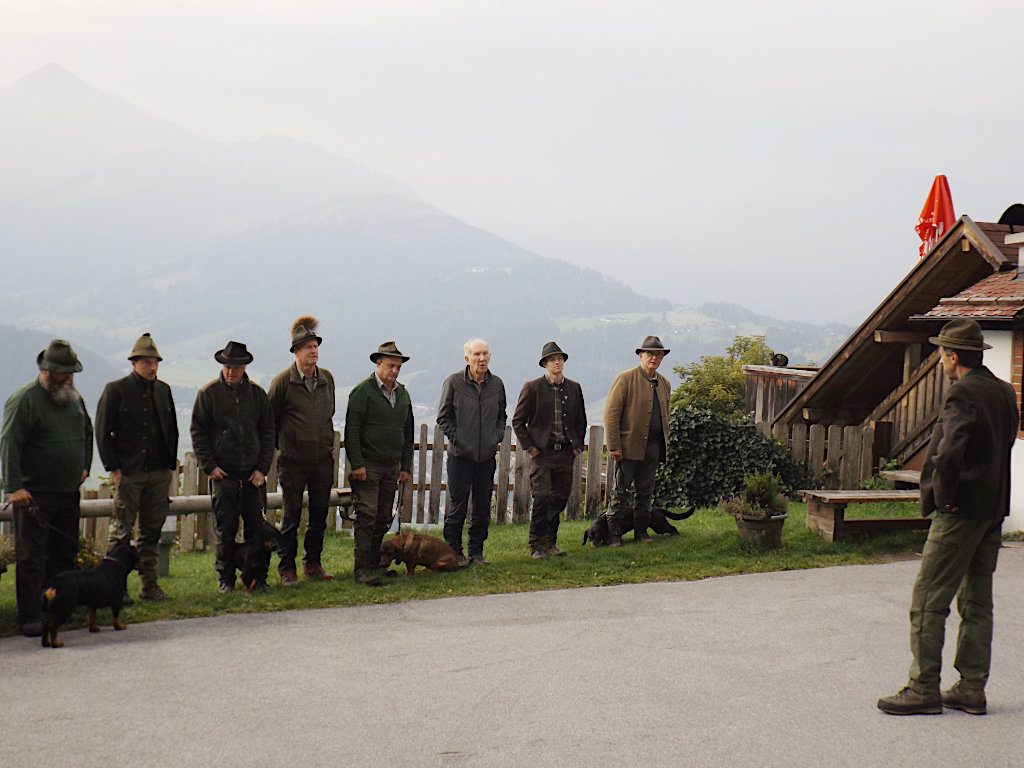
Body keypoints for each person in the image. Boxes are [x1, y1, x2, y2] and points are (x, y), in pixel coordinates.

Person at [878, 319, 1018, 716]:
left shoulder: (963, 393)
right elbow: (1003, 444)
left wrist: (944, 498)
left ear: (953, 357)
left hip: (960, 512)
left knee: (928, 600)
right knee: (977, 600)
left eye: (941, 352)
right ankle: (971, 688)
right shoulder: (1004, 391)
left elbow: (949, 452)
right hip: (992, 510)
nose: (939, 358)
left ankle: (923, 688)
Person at [1, 340, 93, 637]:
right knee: (32, 556)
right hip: (33, 494)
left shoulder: (74, 399)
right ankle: (31, 615)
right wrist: (14, 486)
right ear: (46, 371)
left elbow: (86, 432)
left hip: (67, 490)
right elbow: (9, 444)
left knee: (64, 552)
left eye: (70, 373)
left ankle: (60, 609)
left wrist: (85, 465)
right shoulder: (25, 399)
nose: (68, 378)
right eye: (62, 373)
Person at [95, 333, 178, 602]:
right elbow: (102, 431)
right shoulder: (115, 390)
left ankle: (148, 586)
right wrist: (114, 468)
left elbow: (172, 429)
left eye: (155, 362)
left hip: (157, 473)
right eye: (147, 362)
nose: (152, 367)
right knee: (121, 533)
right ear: (134, 363)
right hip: (128, 473)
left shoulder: (163, 390)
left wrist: (169, 466)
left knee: (151, 532)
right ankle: (114, 589)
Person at [190, 341, 276, 594]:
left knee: (256, 531)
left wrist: (262, 469)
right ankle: (225, 578)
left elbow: (268, 433)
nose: (231, 372)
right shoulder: (209, 394)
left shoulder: (257, 395)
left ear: (245, 367)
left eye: (236, 367)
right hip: (223, 474)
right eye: (227, 367)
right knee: (225, 530)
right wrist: (210, 467)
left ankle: (257, 578)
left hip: (253, 476)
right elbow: (198, 432)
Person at [268, 316, 337, 585]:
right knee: (291, 515)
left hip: (321, 459)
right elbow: (269, 421)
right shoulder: (282, 382)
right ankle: (287, 568)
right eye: (308, 347)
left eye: (316, 346)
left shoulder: (327, 379)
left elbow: (329, 413)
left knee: (319, 514)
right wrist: (284, 446)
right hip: (293, 462)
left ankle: (313, 564)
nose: (314, 351)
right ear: (296, 352)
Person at [344, 342, 414, 586]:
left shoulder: (403, 394)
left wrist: (405, 466)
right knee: (366, 515)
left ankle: (375, 563)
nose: (394, 370)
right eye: (390, 365)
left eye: (398, 366)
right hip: (369, 464)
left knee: (384, 516)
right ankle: (361, 568)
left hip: (391, 465)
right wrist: (357, 463)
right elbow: (352, 430)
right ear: (378, 364)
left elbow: (408, 432)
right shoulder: (363, 392)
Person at [512, 342, 587, 558]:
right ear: (544, 364)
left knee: (560, 499)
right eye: (552, 359)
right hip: (542, 454)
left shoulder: (574, 387)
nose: (557, 362)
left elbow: (581, 420)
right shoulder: (532, 387)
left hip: (565, 452)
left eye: (560, 358)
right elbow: (518, 421)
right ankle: (536, 545)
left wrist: (576, 446)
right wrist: (531, 448)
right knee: (542, 498)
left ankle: (550, 542)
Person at [437, 338, 507, 566]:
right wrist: (459, 440)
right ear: (467, 358)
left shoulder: (496, 385)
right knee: (457, 506)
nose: (482, 358)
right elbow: (443, 418)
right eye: (476, 354)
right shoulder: (454, 383)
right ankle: (453, 553)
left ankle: (476, 552)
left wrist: (495, 438)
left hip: (486, 457)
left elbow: (502, 416)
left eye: (485, 353)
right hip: (460, 457)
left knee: (482, 506)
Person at [603, 335, 671, 546]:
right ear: (641, 355)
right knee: (619, 492)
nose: (654, 358)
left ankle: (641, 532)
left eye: (658, 354)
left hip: (653, 447)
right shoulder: (625, 379)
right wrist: (614, 446)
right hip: (628, 447)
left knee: (645, 492)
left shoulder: (664, 383)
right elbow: (611, 414)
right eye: (650, 354)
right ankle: (613, 534)